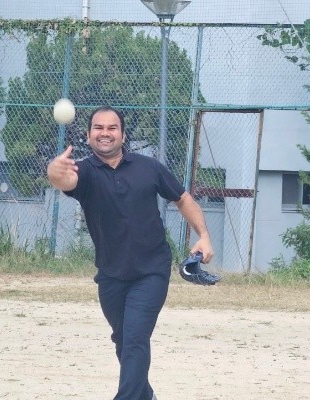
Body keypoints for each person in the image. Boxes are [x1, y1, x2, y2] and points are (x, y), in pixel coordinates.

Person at [46, 105, 214, 400]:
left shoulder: (149, 168)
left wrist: (204, 236)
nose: (105, 133)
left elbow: (183, 198)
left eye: (112, 128)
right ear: (88, 135)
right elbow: (65, 181)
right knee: (124, 342)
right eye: (98, 128)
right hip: (110, 274)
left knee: (135, 338)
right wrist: (53, 171)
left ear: (123, 135)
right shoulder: (84, 171)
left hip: (151, 270)